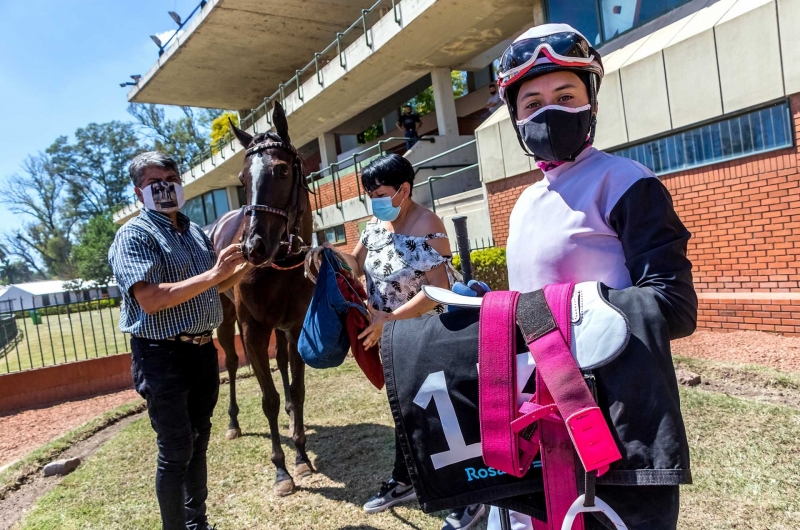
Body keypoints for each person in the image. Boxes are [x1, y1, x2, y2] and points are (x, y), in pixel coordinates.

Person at [481, 23, 697, 529]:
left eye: (565, 94)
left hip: (615, 410)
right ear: (516, 120)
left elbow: (674, 306)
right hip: (539, 411)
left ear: (591, 103)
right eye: (531, 104)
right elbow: (527, 307)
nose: (548, 110)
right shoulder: (524, 204)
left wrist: (557, 316)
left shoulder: (626, 182)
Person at [316, 154, 484, 528]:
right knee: (405, 410)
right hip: (392, 336)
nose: (373, 201)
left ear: (404, 190)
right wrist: (331, 256)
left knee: (445, 415)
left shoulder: (428, 224)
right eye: (369, 194)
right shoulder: (376, 224)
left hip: (431, 334)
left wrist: (390, 317)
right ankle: (405, 479)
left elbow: (438, 289)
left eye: (380, 193)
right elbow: (357, 265)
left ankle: (469, 498)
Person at [108, 151, 250, 530]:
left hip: (203, 351)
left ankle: (196, 523)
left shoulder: (193, 231)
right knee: (175, 452)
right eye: (157, 182)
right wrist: (215, 273)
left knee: (199, 440)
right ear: (140, 193)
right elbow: (151, 299)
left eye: (172, 179)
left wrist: (243, 267)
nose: (167, 187)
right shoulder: (134, 235)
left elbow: (216, 286)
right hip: (162, 356)